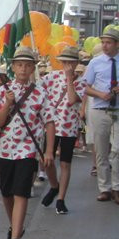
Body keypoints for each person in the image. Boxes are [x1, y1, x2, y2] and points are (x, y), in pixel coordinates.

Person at [0, 46, 55, 239]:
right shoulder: (3, 91)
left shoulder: (40, 92)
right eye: (20, 65)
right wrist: (7, 104)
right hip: (5, 149)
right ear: (13, 67)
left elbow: (50, 122)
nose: (23, 69)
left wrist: (49, 151)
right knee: (7, 193)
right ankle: (13, 227)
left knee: (21, 192)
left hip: (28, 149)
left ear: (33, 68)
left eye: (28, 65)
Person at [40, 46, 87, 214]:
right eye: (64, 62)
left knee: (66, 164)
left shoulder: (81, 82)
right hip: (51, 125)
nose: (67, 65)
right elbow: (37, 89)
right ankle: (54, 186)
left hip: (69, 127)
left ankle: (61, 198)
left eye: (70, 62)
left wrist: (69, 79)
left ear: (76, 63)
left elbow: (73, 99)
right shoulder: (51, 77)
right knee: (47, 160)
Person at [80, 24, 119, 203]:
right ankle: (105, 188)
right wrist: (100, 94)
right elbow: (85, 86)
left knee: (117, 150)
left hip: (117, 110)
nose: (105, 45)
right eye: (103, 42)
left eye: (109, 42)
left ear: (117, 44)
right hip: (100, 109)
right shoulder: (96, 62)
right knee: (102, 151)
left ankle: (117, 187)